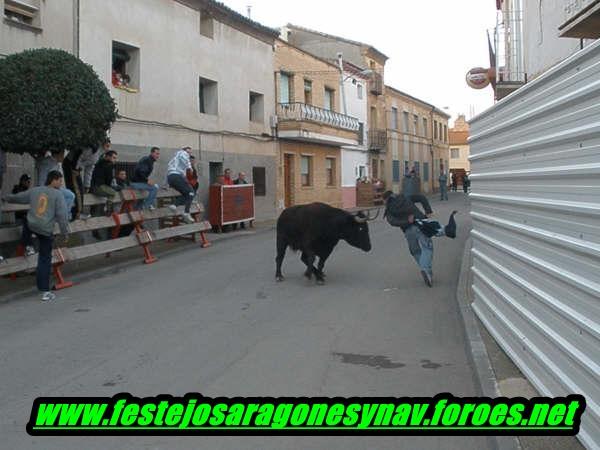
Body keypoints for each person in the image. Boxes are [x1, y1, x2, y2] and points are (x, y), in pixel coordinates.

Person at [4, 170, 70, 302]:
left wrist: (6, 197)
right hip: (45, 229)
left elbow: (20, 197)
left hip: (32, 224)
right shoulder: (58, 195)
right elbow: (62, 216)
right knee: (44, 259)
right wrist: (65, 233)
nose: (61, 183)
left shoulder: (35, 190)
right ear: (54, 180)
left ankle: (27, 244)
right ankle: (45, 291)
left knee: (27, 222)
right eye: (60, 180)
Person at [383, 190, 457, 288]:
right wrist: (428, 211)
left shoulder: (388, 210)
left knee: (415, 251)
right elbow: (421, 198)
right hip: (421, 226)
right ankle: (425, 269)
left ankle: (427, 272)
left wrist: (406, 222)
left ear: (386, 200)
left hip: (408, 231)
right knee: (427, 248)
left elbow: (392, 222)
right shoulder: (405, 197)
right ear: (393, 195)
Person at [35, 150, 76, 217]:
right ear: (59, 154)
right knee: (70, 196)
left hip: (54, 188)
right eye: (63, 154)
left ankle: (64, 215)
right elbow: (42, 179)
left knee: (70, 195)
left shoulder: (55, 162)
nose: (64, 157)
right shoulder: (48, 162)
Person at [166, 147, 195, 224]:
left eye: (190, 153)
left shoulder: (175, 159)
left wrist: (166, 184)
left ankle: (174, 205)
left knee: (186, 193)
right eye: (188, 152)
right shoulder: (182, 153)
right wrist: (190, 167)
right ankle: (186, 212)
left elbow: (170, 169)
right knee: (191, 192)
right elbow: (184, 158)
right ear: (185, 151)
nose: (189, 154)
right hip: (176, 176)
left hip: (171, 178)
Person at [131, 146, 160, 211]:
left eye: (158, 154)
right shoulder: (147, 160)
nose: (158, 156)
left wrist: (146, 181)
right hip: (136, 183)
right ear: (152, 153)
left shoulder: (149, 161)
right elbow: (140, 171)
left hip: (138, 183)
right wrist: (147, 180)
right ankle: (146, 206)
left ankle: (138, 209)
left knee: (142, 196)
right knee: (154, 188)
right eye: (157, 153)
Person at [90, 150, 118, 217]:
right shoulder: (109, 165)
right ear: (108, 157)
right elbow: (109, 180)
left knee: (111, 193)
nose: (115, 160)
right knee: (113, 193)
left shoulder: (99, 162)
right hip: (98, 187)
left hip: (94, 187)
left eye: (116, 158)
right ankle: (108, 210)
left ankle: (107, 210)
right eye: (114, 158)